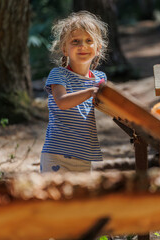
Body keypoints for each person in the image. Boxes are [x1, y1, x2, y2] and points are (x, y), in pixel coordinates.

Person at [40, 11, 108, 173]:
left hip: (84, 155)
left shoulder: (100, 78)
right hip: (56, 154)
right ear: (64, 49)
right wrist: (91, 92)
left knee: (80, 198)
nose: (82, 46)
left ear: (98, 48)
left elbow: (107, 106)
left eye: (89, 41)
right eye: (75, 41)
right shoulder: (59, 74)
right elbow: (62, 102)